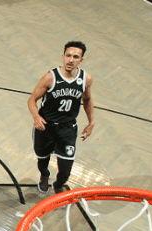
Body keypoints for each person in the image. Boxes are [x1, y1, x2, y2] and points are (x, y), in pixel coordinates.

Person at [28, 40, 95, 194]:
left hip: (67, 129)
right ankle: (44, 175)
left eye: (76, 57)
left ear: (81, 60)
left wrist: (91, 122)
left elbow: (87, 99)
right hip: (46, 126)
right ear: (63, 57)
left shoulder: (86, 79)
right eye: (68, 56)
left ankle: (58, 184)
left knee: (66, 169)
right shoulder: (50, 77)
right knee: (42, 159)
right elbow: (32, 99)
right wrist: (36, 116)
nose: (71, 60)